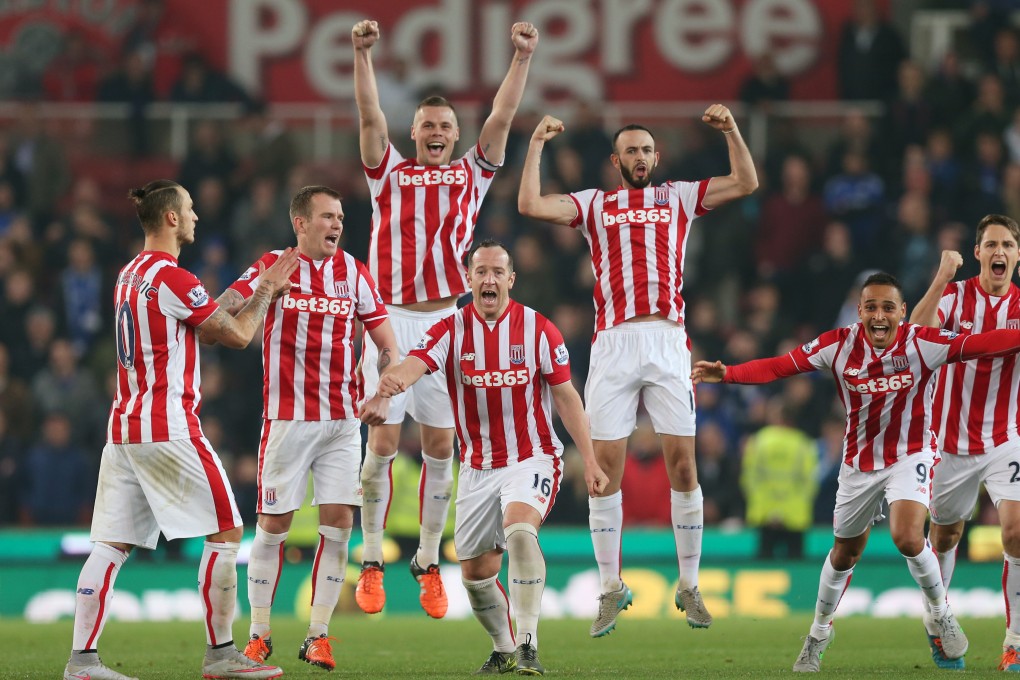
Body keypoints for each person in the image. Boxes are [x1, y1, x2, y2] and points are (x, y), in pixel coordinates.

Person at [686, 271, 1020, 672]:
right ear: (860, 311)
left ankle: (941, 614)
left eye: (888, 308)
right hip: (858, 463)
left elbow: (984, 344)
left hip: (910, 454)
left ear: (902, 313)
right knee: (845, 553)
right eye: (872, 307)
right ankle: (818, 634)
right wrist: (730, 373)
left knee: (908, 536)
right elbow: (781, 366)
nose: (879, 315)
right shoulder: (838, 345)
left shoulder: (924, 343)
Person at [517, 107, 757, 635]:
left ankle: (689, 584)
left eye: (647, 150)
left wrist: (731, 130)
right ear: (615, 160)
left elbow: (746, 180)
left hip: (669, 338)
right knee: (604, 471)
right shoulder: (596, 204)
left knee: (684, 467)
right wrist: (536, 142)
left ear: (657, 157)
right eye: (630, 150)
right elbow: (529, 203)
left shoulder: (678, 197)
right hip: (614, 342)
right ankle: (609, 587)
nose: (640, 158)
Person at [63, 179, 297, 680]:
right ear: (170, 218)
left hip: (124, 426)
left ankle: (82, 663)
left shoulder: (129, 274)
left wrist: (248, 284)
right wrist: (267, 291)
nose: (195, 216)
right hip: (167, 424)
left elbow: (204, 317)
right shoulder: (173, 277)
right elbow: (233, 335)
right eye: (189, 208)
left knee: (110, 544)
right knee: (227, 530)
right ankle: (222, 656)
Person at [351, 17, 538, 619]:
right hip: (387, 323)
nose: (437, 133)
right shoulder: (389, 174)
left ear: (457, 137)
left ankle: (428, 562)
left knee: (440, 447)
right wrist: (362, 55)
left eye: (446, 127)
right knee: (382, 440)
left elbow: (503, 118)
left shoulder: (471, 176)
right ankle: (373, 560)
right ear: (414, 132)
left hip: (442, 325)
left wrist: (521, 58)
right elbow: (369, 117)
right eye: (428, 126)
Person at [373, 240, 608, 675]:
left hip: (532, 457)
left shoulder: (540, 329)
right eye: (481, 271)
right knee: (476, 577)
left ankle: (529, 644)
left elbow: (566, 399)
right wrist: (390, 384)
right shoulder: (448, 329)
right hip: (478, 468)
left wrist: (590, 460)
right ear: (468, 279)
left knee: (519, 529)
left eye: (498, 271)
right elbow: (413, 365)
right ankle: (503, 647)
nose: (489, 279)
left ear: (511, 280)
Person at [211, 186, 397, 671]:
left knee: (338, 528)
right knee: (273, 529)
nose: (336, 225)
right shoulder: (274, 264)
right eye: (326, 217)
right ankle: (258, 636)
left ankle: (318, 636)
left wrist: (381, 392)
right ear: (300, 223)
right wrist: (263, 290)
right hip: (287, 421)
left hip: (340, 422)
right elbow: (222, 308)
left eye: (339, 217)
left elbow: (386, 344)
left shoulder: (354, 272)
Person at [909, 214, 1020, 671]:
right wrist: (941, 276)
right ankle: (939, 621)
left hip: (1005, 438)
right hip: (949, 442)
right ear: (977, 253)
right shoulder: (955, 297)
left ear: (1017, 255)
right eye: (991, 244)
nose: (999, 252)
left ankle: (1014, 640)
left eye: (1008, 245)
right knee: (947, 534)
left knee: (1015, 531)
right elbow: (914, 333)